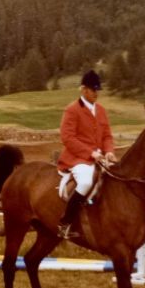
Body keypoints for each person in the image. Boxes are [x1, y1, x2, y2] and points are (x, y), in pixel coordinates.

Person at [56, 70, 117, 239]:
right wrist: (91, 153)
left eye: (98, 90)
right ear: (84, 90)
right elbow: (67, 138)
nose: (97, 94)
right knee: (85, 183)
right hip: (77, 159)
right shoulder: (72, 110)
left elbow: (107, 136)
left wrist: (110, 151)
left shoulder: (101, 111)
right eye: (93, 90)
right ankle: (65, 223)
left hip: (99, 158)